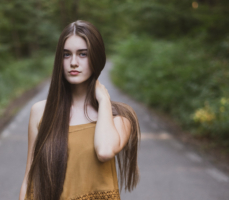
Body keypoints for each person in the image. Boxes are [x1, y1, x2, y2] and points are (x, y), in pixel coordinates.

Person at [18, 20, 141, 200]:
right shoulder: (41, 111)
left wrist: (104, 100)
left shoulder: (120, 117)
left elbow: (105, 151)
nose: (73, 62)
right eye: (66, 55)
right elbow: (29, 179)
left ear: (97, 58)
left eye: (83, 54)